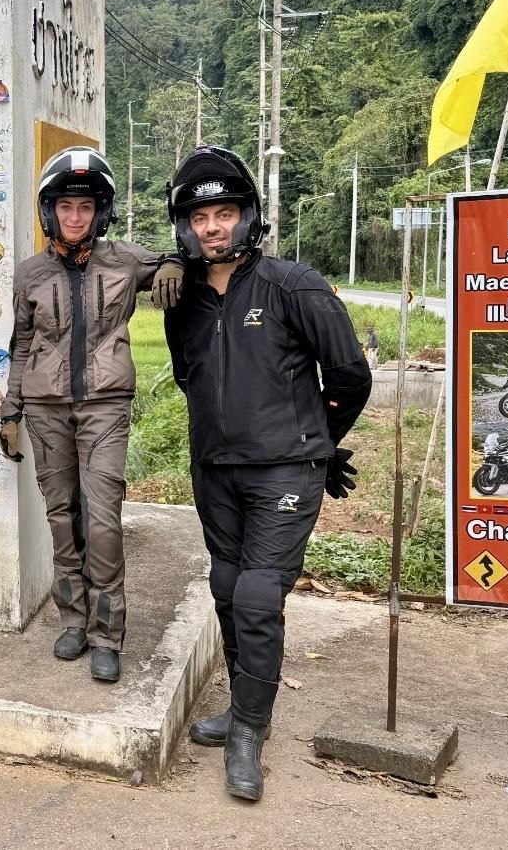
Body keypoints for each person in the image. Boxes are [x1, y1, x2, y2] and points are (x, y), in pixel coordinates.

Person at [162, 146, 372, 802]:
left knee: (257, 596)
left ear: (248, 216)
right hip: (215, 469)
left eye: (224, 213)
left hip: (284, 470)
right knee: (227, 587)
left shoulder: (293, 285)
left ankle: (250, 732)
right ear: (185, 227)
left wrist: (317, 444)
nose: (213, 227)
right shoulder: (182, 298)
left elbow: (350, 376)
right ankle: (239, 709)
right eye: (200, 218)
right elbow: (189, 376)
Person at [0, 147, 183, 684]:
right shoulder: (30, 274)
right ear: (49, 211)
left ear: (101, 212)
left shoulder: (124, 260)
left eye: (85, 207)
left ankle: (107, 634)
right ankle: (73, 621)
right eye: (65, 206)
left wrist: (173, 264)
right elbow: (21, 344)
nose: (75, 217)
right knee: (62, 518)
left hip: (105, 407)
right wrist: (11, 409)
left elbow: (180, 258)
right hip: (45, 409)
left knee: (102, 521)